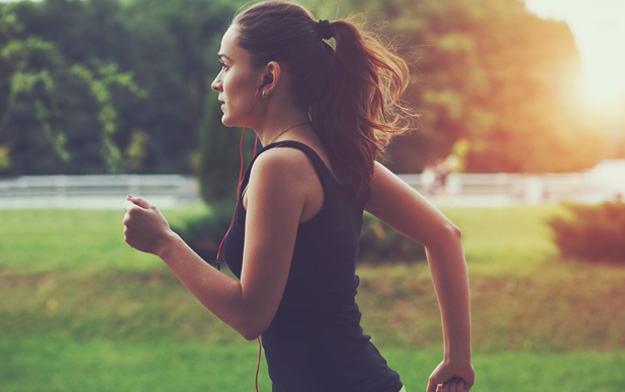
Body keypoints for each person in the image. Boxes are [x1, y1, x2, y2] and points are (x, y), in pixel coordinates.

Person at [122, 2, 474, 391]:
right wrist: (457, 360)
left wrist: (164, 243)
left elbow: (249, 315)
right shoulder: (340, 153)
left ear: (268, 77)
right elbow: (444, 235)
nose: (216, 82)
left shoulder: (280, 167)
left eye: (226, 64)